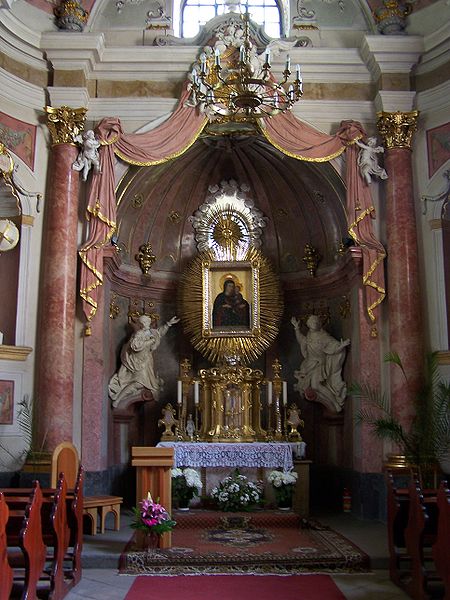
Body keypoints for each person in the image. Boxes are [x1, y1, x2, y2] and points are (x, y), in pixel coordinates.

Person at [109, 314, 179, 408]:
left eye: (147, 322)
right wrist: (149, 342)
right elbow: (135, 346)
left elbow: (160, 333)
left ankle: (118, 400)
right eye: (144, 322)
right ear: (141, 324)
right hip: (138, 363)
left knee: (142, 384)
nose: (146, 324)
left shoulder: (151, 332)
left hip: (147, 362)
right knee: (138, 383)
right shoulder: (139, 334)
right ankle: (118, 400)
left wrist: (168, 324)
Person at [291, 315, 350, 413]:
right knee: (314, 386)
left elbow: (333, 346)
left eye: (315, 322)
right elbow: (301, 340)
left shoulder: (324, 336)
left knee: (315, 385)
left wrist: (341, 346)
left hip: (319, 364)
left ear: (319, 324)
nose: (313, 323)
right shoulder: (309, 335)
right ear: (308, 325)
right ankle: (334, 403)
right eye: (311, 322)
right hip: (308, 365)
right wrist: (296, 328)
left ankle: (335, 403)